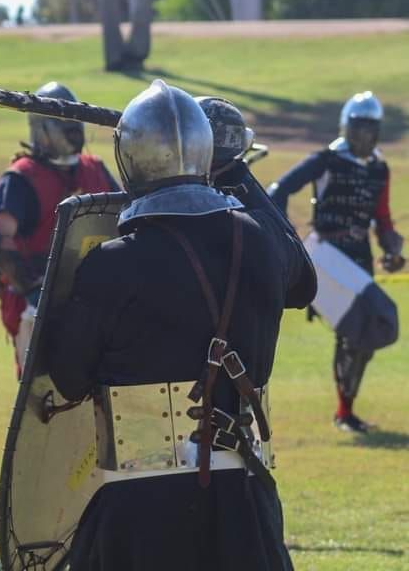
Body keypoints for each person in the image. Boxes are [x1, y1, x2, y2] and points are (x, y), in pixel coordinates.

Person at [45, 81, 315, 569]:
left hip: (142, 509)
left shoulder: (111, 264)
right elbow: (303, 283)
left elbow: (68, 378)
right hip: (243, 499)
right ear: (208, 154)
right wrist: (235, 169)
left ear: (128, 160)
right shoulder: (261, 244)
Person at [268, 91, 403, 434]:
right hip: (328, 258)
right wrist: (289, 240)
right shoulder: (325, 160)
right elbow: (278, 190)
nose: (363, 136)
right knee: (353, 335)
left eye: (370, 129)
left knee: (365, 335)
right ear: (347, 126)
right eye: (358, 128)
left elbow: (382, 217)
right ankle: (344, 414)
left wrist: (391, 249)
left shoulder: (379, 167)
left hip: (360, 258)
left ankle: (346, 411)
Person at [0, 83, 117, 377]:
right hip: (39, 301)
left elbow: (125, 220)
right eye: (65, 123)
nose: (74, 131)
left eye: (75, 121)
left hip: (97, 300)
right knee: (46, 402)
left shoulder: (95, 169)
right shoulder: (22, 178)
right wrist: (34, 290)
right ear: (42, 129)